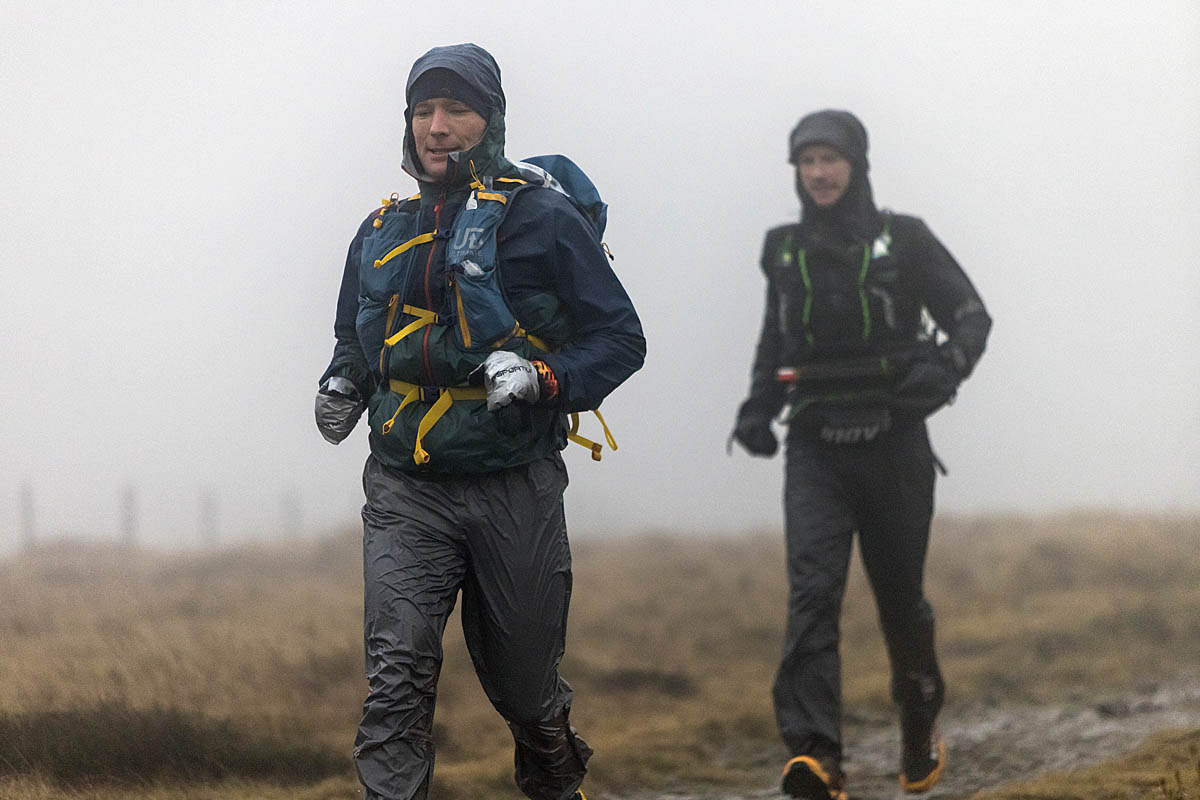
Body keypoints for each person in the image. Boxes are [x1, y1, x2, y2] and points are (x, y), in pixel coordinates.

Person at [314, 43, 645, 800]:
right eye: (422, 111)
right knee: (396, 675)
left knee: (526, 690)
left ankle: (554, 772)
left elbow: (620, 339)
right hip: (405, 487)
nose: (437, 126)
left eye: (456, 109)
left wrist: (544, 378)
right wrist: (342, 381)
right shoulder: (380, 230)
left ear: (490, 120)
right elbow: (353, 338)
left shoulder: (545, 219)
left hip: (513, 483)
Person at [732, 109, 991, 799]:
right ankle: (816, 756)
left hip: (895, 445)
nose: (819, 173)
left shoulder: (906, 239)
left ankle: (918, 720)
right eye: (807, 161)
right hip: (815, 449)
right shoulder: (783, 248)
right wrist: (757, 409)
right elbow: (775, 339)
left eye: (831, 159)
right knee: (813, 596)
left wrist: (944, 372)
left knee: (900, 600)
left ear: (857, 164)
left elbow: (971, 316)